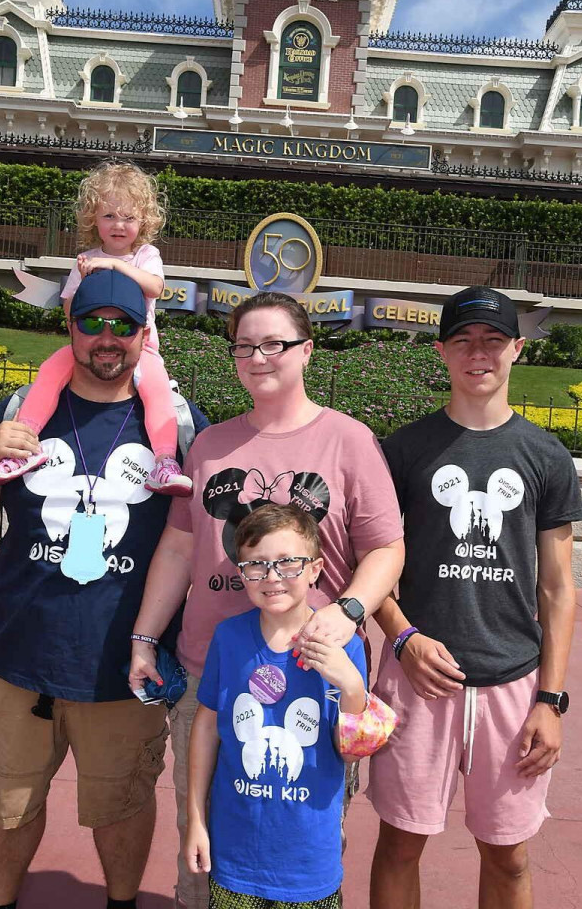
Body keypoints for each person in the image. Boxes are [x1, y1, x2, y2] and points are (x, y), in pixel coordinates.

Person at [129, 290, 404, 909]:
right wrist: (145, 637)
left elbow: (388, 550)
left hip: (312, 673)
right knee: (201, 845)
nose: (258, 356)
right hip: (213, 673)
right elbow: (178, 549)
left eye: (274, 343)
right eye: (245, 345)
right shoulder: (209, 447)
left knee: (297, 834)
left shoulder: (349, 441)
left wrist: (348, 610)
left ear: (306, 351)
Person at [0, 270, 208, 909]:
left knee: (121, 804)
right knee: (8, 804)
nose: (107, 338)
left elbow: (212, 530)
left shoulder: (177, 422)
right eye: (92, 323)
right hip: (18, 656)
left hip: (125, 664)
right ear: (70, 327)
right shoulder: (18, 411)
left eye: (123, 326)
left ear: (144, 335)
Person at [367, 286, 582, 909]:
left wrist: (551, 699)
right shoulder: (404, 451)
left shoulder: (544, 456)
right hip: (419, 680)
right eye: (463, 340)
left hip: (513, 687)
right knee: (400, 844)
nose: (478, 353)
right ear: (441, 351)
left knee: (509, 856)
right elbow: (374, 565)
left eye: (493, 340)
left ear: (517, 348)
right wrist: (403, 637)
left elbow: (557, 587)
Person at [185, 504, 368, 909]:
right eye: (257, 565)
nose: (272, 577)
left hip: (309, 862)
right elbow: (205, 727)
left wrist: (351, 683)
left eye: (288, 563)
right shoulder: (229, 638)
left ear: (315, 569)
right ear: (241, 573)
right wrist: (196, 820)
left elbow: (353, 750)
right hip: (235, 855)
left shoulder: (345, 645)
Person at [0, 159, 191, 496]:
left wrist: (111, 265)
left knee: (156, 389)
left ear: (144, 221)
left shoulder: (145, 255)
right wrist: (85, 286)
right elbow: (69, 305)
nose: (119, 225)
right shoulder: (84, 259)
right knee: (51, 371)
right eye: (109, 215)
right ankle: (22, 446)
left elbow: (154, 288)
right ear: (94, 219)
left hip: (140, 347)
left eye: (129, 217)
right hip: (90, 342)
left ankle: (165, 461)